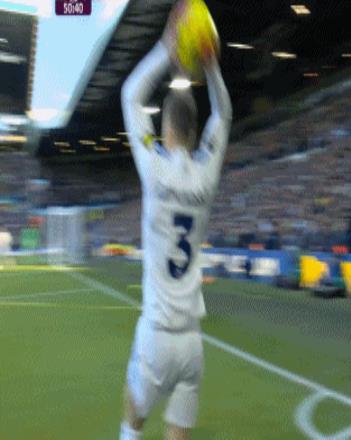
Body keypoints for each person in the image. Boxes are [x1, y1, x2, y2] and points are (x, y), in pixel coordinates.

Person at [119, 9, 232, 440]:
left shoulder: (154, 168)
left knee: (133, 416)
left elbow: (131, 96)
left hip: (157, 332)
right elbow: (224, 117)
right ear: (193, 130)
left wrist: (167, 50)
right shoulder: (205, 176)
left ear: (166, 129)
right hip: (191, 341)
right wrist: (211, 65)